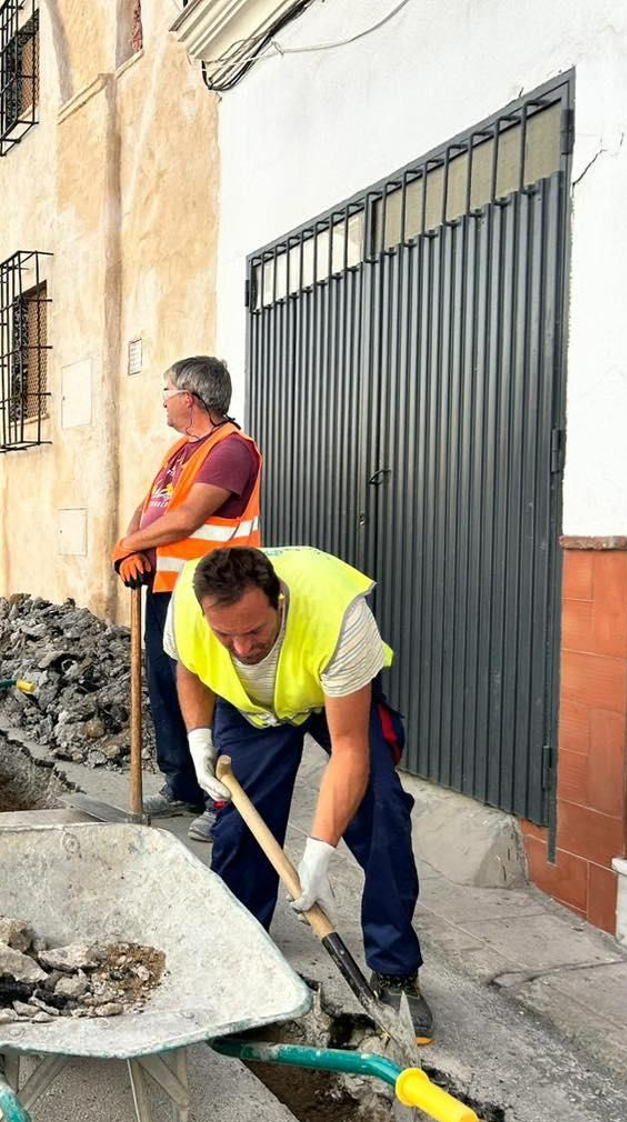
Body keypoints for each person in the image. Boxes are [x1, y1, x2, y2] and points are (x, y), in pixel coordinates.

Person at [168, 545, 432, 1040]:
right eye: (226, 634)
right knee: (242, 823)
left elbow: (351, 750)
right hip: (251, 709)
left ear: (280, 602)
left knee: (382, 812)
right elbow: (190, 666)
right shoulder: (186, 602)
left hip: (330, 693)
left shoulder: (338, 616)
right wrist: (198, 737)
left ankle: (396, 970)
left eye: (255, 632)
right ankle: (241, 953)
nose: (242, 648)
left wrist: (317, 853)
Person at [111, 356, 262, 840]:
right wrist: (132, 547)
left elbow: (188, 518)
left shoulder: (231, 450)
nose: (163, 400)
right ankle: (183, 785)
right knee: (166, 686)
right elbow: (151, 506)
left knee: (211, 694)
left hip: (213, 593)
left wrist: (128, 545)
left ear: (190, 399)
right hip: (167, 590)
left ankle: (223, 800)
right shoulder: (181, 451)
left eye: (167, 391)